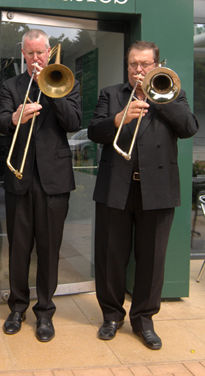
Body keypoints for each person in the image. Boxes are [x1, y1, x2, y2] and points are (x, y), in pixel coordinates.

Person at [87, 40, 198, 350]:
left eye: (145, 64)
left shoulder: (173, 92)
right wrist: (120, 117)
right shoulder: (111, 94)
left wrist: (160, 99)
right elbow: (94, 131)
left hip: (157, 190)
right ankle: (111, 316)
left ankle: (144, 320)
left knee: (151, 260)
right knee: (111, 257)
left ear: (156, 65)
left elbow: (189, 127)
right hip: (116, 188)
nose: (138, 70)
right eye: (133, 64)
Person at [0, 29, 82, 342]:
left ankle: (45, 313)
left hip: (54, 181)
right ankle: (17, 308)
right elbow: (0, 123)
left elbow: (73, 123)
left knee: (49, 250)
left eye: (40, 53)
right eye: (30, 54)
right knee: (19, 249)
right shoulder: (11, 86)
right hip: (19, 179)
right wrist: (16, 116)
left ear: (49, 53)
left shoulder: (65, 80)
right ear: (23, 54)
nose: (35, 59)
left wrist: (53, 92)